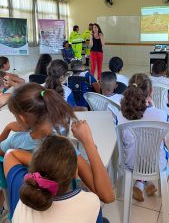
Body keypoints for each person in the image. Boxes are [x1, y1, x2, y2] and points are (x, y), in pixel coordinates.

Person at [0, 83, 114, 216]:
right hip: (66, 210)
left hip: (30, 206)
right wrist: (88, 141)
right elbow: (107, 196)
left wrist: (8, 128)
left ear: (21, 118)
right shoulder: (66, 151)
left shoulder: (17, 141)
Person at [3, 135, 104, 222]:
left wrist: (44, 163)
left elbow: (10, 154)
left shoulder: (21, 192)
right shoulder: (91, 202)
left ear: (33, 166)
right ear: (75, 173)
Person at [117, 73, 167, 202]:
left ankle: (140, 183)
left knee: (137, 149)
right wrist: (154, 107)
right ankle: (147, 182)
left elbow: (122, 141)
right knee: (159, 147)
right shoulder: (161, 115)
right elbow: (163, 141)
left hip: (130, 163)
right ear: (151, 92)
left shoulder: (121, 114)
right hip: (156, 164)